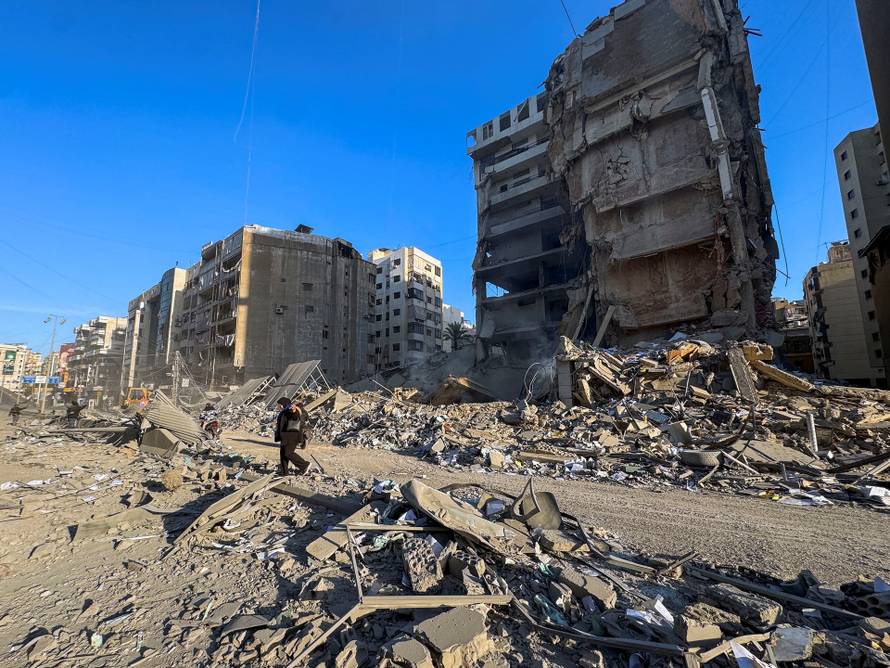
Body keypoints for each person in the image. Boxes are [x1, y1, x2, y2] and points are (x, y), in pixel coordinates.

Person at [274, 397, 310, 475]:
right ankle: (284, 472)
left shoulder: (289, 410)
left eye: (278, 405)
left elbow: (294, 415)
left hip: (293, 436)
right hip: (286, 436)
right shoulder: (283, 412)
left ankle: (304, 465)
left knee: (288, 453)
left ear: (282, 405)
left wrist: (293, 409)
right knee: (283, 453)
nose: (277, 407)